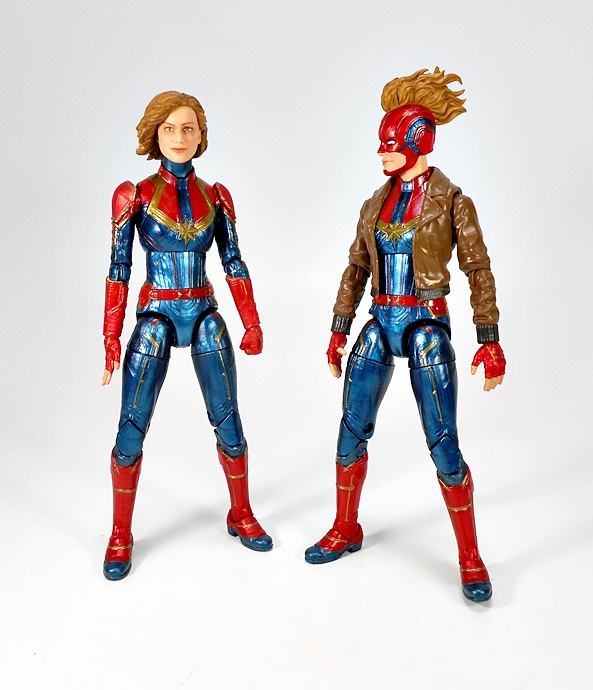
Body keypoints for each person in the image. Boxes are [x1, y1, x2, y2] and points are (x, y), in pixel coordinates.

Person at [304, 68, 505, 602]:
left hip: (425, 326)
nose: (382, 153)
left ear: (419, 141)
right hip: (379, 321)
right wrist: (339, 329)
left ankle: (470, 555)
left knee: (444, 445)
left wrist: (489, 338)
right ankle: (346, 527)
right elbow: (355, 269)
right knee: (350, 431)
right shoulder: (374, 203)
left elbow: (478, 269)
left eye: (391, 144)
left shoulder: (452, 201)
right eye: (382, 144)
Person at [102, 91, 272, 581]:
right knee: (131, 426)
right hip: (155, 314)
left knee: (228, 418)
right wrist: (111, 336)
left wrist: (252, 321)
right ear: (155, 135)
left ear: (201, 136)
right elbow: (119, 269)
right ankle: (120, 532)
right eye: (170, 129)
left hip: (202, 312)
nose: (179, 138)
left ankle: (241, 511)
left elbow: (233, 261)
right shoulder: (134, 195)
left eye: (189, 129)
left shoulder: (215, 196)